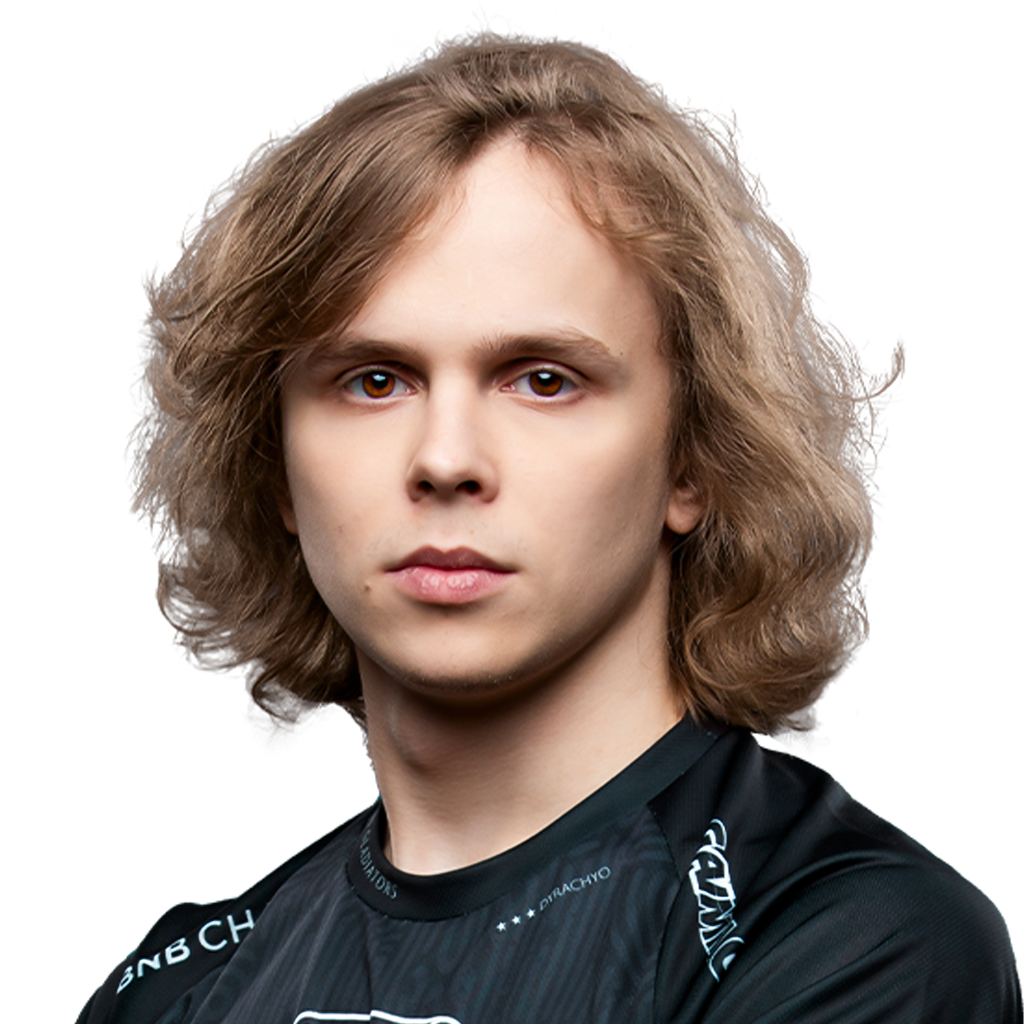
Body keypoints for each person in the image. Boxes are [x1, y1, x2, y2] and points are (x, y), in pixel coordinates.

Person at [78, 31, 1021, 1024]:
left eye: (542, 379)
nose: (445, 458)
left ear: (692, 458)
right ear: (276, 464)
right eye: (374, 380)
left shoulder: (850, 942)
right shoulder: (177, 988)